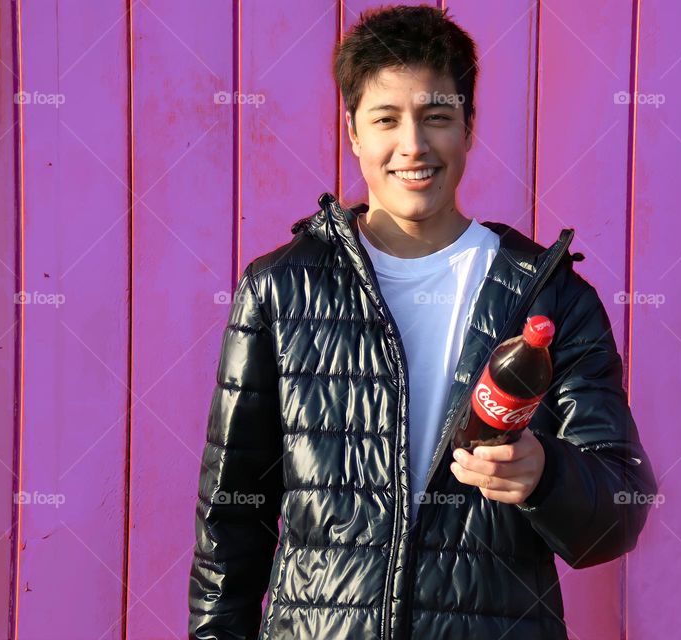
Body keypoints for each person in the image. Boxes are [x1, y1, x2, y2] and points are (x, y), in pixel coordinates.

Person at [188, 5, 657, 639]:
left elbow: (619, 511)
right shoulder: (281, 287)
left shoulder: (550, 298)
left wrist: (545, 473)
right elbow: (230, 518)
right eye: (386, 119)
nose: (413, 145)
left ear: (468, 126)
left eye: (436, 117)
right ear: (353, 132)